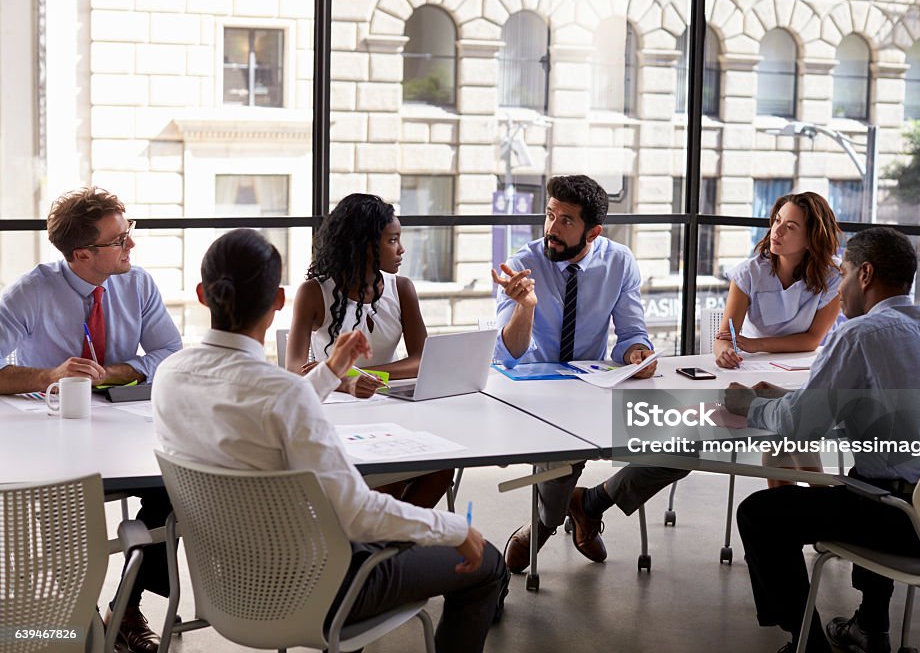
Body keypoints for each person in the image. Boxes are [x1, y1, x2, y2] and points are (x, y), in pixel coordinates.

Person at [153, 229, 508, 653]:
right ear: (279, 301)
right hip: (318, 589)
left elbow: (276, 407)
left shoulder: (171, 374)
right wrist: (455, 528)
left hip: (227, 586)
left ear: (201, 294)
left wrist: (331, 370)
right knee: (487, 564)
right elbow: (357, 514)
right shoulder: (282, 393)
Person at [723, 227, 920, 653]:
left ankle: (809, 645)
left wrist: (751, 405)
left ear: (866, 274)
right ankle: (870, 628)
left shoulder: (858, 334)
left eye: (843, 274)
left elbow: (801, 428)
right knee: (870, 479)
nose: (838, 288)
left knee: (760, 514)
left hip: (905, 521)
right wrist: (796, 399)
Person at [0, 187, 183, 653]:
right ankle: (76, 618)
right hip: (52, 435)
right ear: (82, 254)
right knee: (65, 510)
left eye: (129, 233)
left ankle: (125, 608)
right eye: (119, 239)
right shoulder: (32, 291)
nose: (131, 246)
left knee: (173, 487)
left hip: (124, 429)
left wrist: (116, 372)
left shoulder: (137, 283)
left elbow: (171, 353)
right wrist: (50, 374)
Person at [492, 174, 682, 573]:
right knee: (564, 448)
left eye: (566, 221)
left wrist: (637, 354)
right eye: (549, 215)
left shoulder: (619, 262)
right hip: (534, 388)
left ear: (593, 230)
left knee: (684, 444)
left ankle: (591, 501)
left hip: (592, 383)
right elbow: (509, 354)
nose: (552, 230)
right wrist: (525, 306)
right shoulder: (524, 263)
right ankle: (544, 525)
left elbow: (631, 334)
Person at [287, 193, 453, 509]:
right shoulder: (313, 292)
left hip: (391, 409)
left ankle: (389, 546)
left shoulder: (401, 288)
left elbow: (423, 360)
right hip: (335, 412)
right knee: (392, 474)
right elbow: (294, 372)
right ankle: (381, 546)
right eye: (392, 240)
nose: (402, 249)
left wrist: (367, 375)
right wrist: (344, 381)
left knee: (442, 469)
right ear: (365, 245)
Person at [714, 191, 842, 487]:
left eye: (790, 227)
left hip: (804, 370)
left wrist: (753, 344)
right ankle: (814, 501)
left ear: (812, 238)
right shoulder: (749, 273)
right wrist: (724, 350)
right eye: (777, 221)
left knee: (788, 419)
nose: (777, 231)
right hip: (759, 373)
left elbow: (811, 340)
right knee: (789, 422)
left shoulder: (833, 276)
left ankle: (791, 507)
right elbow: (725, 337)